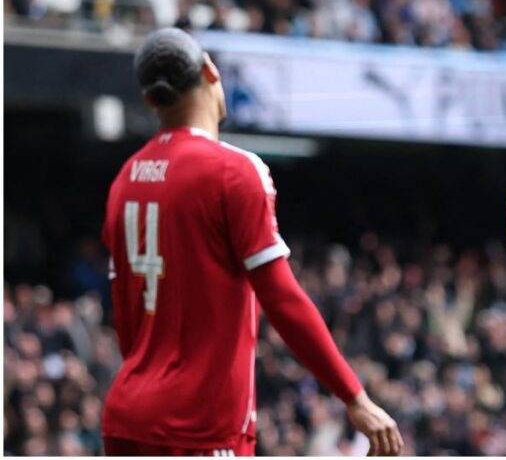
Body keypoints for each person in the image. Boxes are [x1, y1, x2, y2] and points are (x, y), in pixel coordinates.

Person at [101, 28, 403, 456]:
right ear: (210, 70)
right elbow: (281, 297)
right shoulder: (234, 171)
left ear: (151, 100)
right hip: (199, 425)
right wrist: (355, 396)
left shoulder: (125, 180)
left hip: (128, 418)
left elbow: (126, 321)